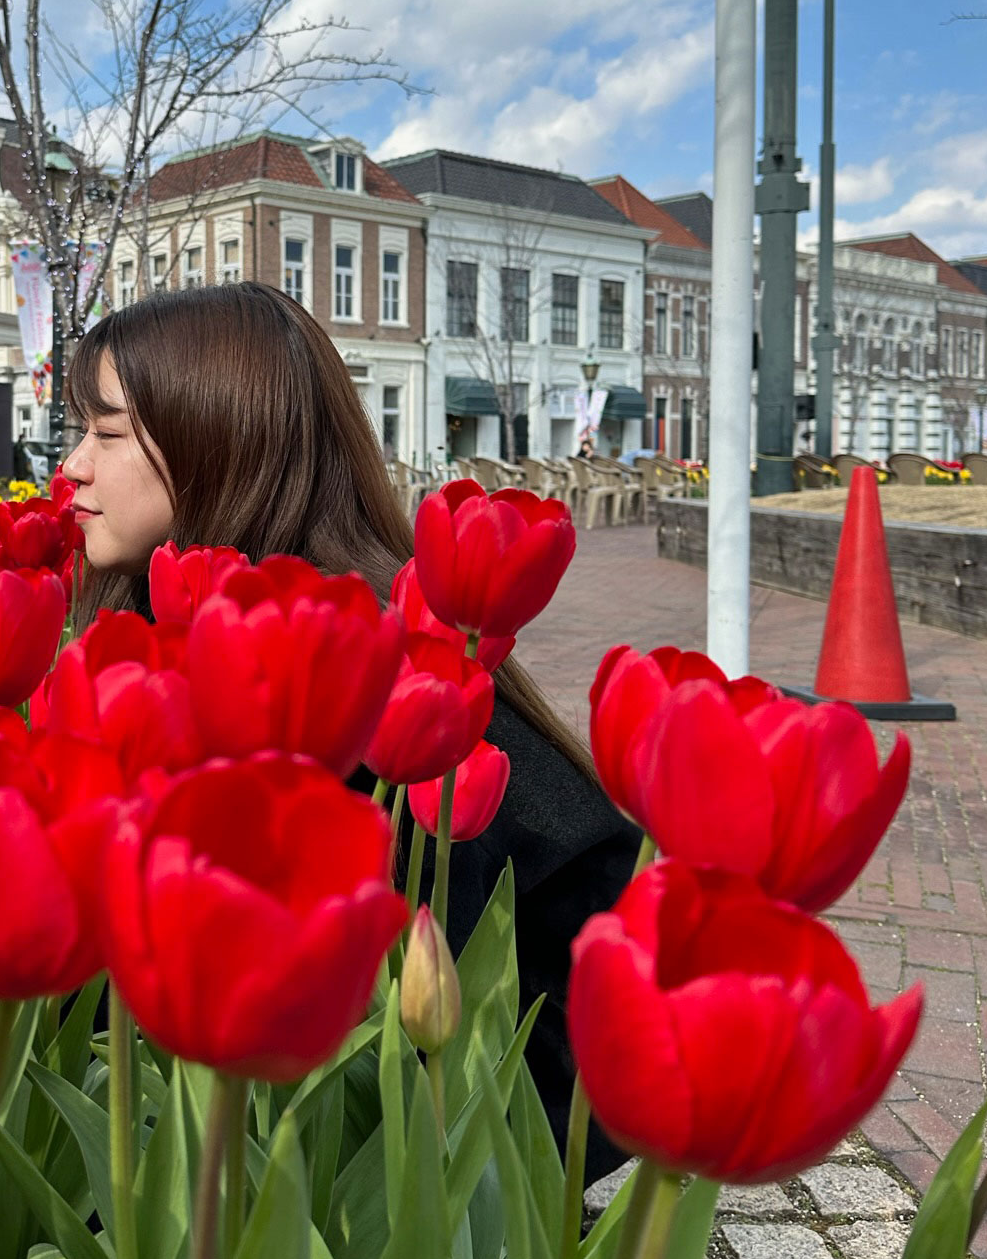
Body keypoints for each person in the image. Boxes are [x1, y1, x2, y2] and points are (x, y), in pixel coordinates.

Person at [59, 280, 639, 1170]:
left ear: (218, 440)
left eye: (103, 434)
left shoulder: (384, 683)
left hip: (397, 1206)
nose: (72, 465)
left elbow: (574, 1028)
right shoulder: (166, 637)